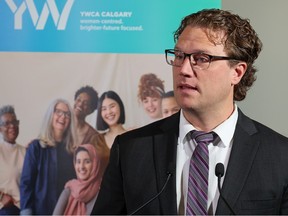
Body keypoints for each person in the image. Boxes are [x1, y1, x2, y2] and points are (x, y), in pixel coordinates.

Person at [91, 8, 288, 215]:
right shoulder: (131, 149)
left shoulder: (280, 156)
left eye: (201, 58)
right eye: (179, 56)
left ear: (236, 72)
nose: (183, 69)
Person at [20, 98, 77, 215]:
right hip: (40, 211)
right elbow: (26, 184)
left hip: (67, 211)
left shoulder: (72, 151)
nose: (63, 116)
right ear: (50, 115)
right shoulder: (35, 147)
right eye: (58, 111)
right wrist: (26, 212)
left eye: (67, 114)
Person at [53, 143, 109, 215]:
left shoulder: (103, 192)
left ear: (95, 164)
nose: (81, 166)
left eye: (87, 161)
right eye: (78, 162)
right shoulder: (69, 189)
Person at [0, 105, 26, 215]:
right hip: (6, 209)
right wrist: (1, 196)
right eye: (7, 123)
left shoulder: (26, 151)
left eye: (15, 122)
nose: (12, 126)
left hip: (25, 207)